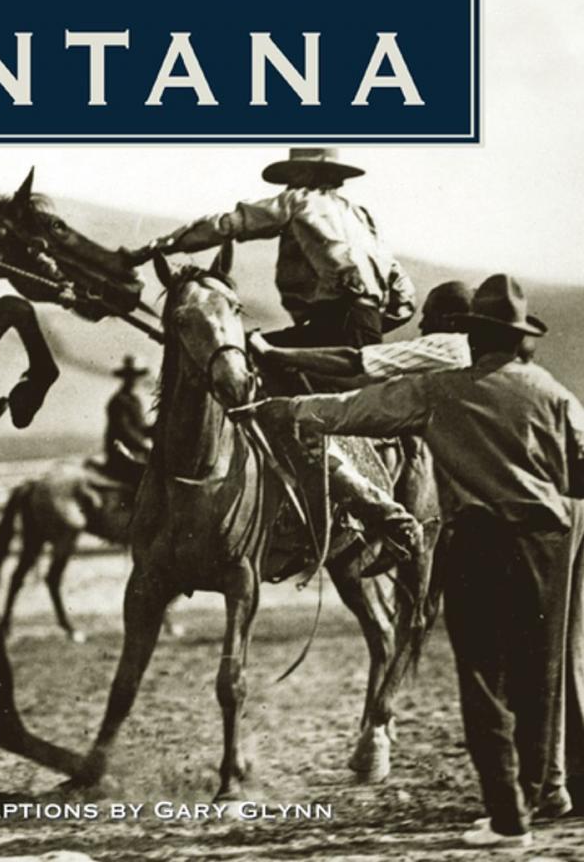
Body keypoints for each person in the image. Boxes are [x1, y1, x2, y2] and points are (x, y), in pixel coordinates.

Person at [247, 274, 584, 848]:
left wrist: (282, 411)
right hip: (548, 542)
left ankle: (508, 820)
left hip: (479, 541)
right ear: (518, 337)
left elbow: (353, 408)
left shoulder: (440, 389)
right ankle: (541, 793)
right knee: (540, 676)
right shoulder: (550, 390)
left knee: (482, 681)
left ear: (472, 334)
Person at [125, 148, 416, 348]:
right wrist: (369, 323)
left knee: (249, 357)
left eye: (296, 172)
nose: (291, 180)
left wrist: (154, 248)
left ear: (307, 172)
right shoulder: (362, 218)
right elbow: (404, 299)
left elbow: (226, 225)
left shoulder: (297, 200)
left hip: (328, 326)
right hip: (366, 329)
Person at [248, 280, 473, 385]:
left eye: (429, 316)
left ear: (449, 321)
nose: (422, 326)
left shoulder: (449, 345)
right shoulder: (471, 353)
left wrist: (270, 351)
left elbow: (356, 361)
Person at [101, 355, 153, 485]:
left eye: (137, 376)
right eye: (130, 376)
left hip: (135, 453)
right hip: (121, 455)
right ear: (124, 378)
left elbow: (141, 428)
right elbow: (124, 430)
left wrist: (159, 428)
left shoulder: (135, 401)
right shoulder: (118, 400)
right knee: (150, 479)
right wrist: (144, 446)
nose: (135, 380)